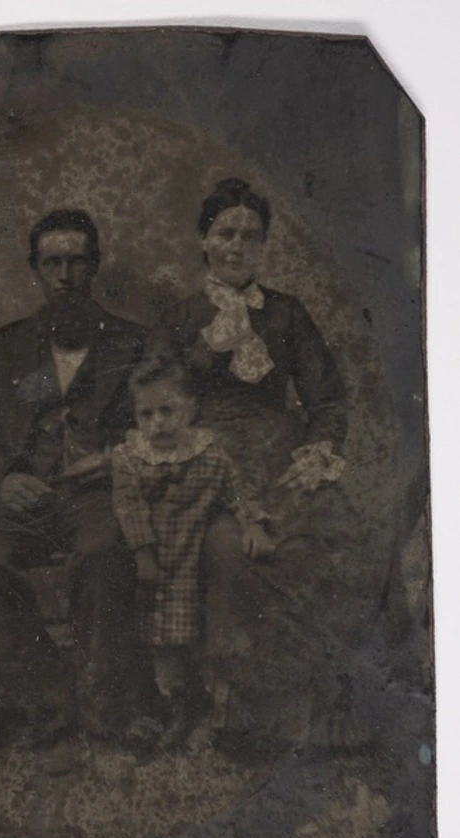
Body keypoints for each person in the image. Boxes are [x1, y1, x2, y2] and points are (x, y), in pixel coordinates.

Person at [154, 177, 366, 757]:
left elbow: (326, 399)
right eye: (225, 233)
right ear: (203, 240)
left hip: (281, 456)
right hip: (208, 462)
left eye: (252, 236)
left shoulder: (288, 314)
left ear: (265, 245)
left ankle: (329, 714)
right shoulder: (180, 316)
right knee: (233, 552)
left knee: (339, 537)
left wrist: (316, 451)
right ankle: (243, 718)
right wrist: (207, 351)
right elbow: (153, 397)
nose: (237, 246)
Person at [0, 209, 158, 746]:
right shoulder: (4, 348)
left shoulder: (133, 344)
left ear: (94, 266)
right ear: (36, 270)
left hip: (96, 495)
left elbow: (167, 421)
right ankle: (49, 701)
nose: (65, 275)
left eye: (76, 262)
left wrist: (115, 458)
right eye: (53, 263)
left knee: (102, 553)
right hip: (20, 497)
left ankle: (102, 708)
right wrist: (3, 479)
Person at [112, 357, 274, 748]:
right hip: (152, 559)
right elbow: (128, 507)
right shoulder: (130, 458)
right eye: (146, 414)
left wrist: (253, 523)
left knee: (195, 632)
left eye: (167, 410)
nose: (157, 423)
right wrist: (143, 555)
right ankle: (173, 707)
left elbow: (237, 492)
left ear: (190, 409)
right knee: (158, 640)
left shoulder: (210, 455)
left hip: (190, 557)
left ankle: (208, 709)